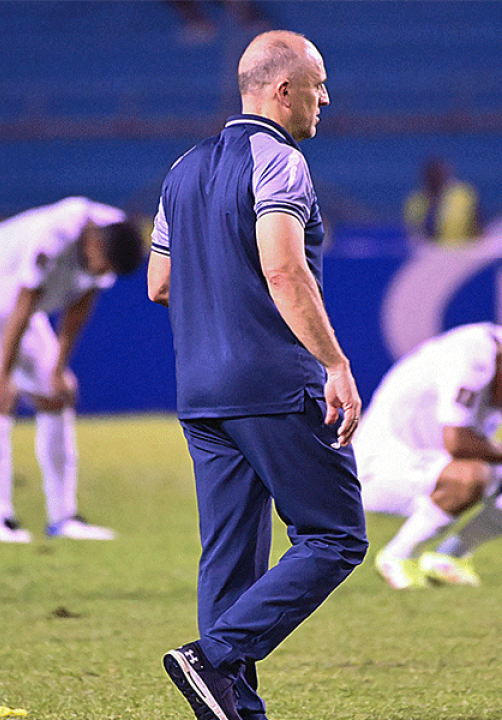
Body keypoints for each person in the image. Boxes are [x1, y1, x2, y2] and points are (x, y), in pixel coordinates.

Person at [148, 30, 368, 720]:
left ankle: (233, 709)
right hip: (273, 384)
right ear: (282, 90)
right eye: (318, 84)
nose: (325, 98)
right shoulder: (280, 163)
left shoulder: (182, 168)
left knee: (231, 561)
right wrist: (334, 362)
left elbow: (159, 283)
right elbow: (282, 266)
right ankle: (212, 660)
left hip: (201, 390)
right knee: (335, 536)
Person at [0, 197, 144, 543]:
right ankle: (1, 519)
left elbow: (81, 304)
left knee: (57, 394)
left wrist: (58, 368)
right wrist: (3, 375)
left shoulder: (114, 234)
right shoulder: (56, 234)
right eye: (103, 266)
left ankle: (64, 518)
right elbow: (25, 302)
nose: (103, 273)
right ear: (94, 244)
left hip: (19, 309)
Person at [353, 322, 502, 590]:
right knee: (470, 475)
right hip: (380, 468)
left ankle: (449, 556)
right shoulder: (469, 361)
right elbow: (457, 443)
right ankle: (397, 556)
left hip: (437, 465)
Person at [402, 157, 481, 247]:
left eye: (438, 175)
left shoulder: (462, 196)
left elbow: (478, 225)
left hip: (461, 250)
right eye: (432, 176)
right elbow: (412, 233)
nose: (436, 179)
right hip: (428, 252)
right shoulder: (415, 202)